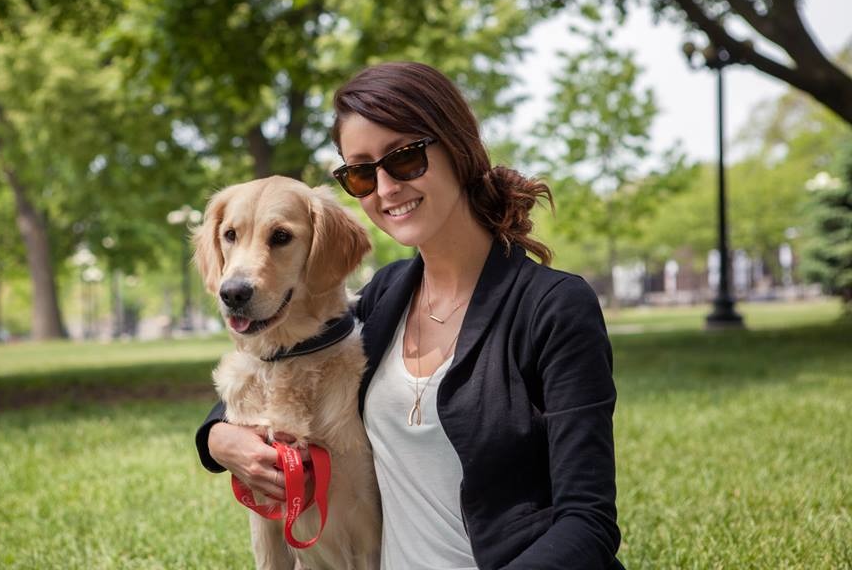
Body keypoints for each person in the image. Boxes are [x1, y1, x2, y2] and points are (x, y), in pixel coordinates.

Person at [195, 61, 624, 569]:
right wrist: (218, 439)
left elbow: (588, 521)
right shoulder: (385, 297)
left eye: (405, 158)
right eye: (361, 172)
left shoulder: (551, 307)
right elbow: (282, 364)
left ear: (457, 148)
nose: (386, 187)